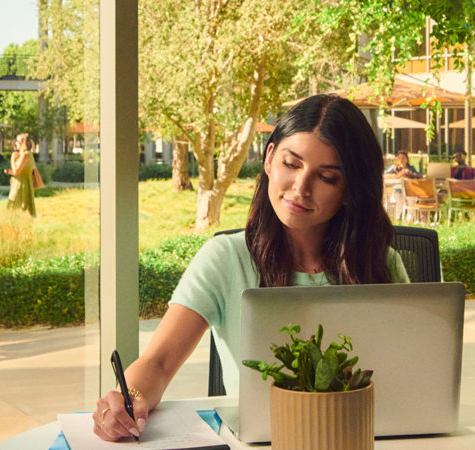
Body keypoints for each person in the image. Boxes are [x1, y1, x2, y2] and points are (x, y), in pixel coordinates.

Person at [92, 94, 410, 441]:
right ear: (270, 159)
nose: (300, 188)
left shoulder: (382, 264)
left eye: (327, 177)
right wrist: (129, 400)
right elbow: (158, 364)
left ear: (349, 191)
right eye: (291, 164)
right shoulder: (225, 259)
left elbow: (407, 379)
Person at [4, 133, 39, 217]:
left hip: (21, 187)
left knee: (15, 210)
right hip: (19, 185)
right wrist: (8, 172)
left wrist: (12, 158)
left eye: (17, 141)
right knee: (16, 211)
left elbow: (16, 171)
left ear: (23, 143)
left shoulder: (25, 155)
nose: (15, 143)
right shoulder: (25, 154)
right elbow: (21, 171)